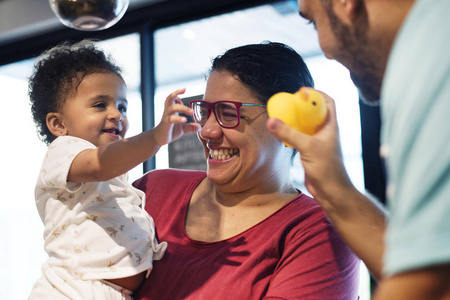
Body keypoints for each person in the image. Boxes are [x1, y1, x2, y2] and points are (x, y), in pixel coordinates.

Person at [133, 42, 360, 299]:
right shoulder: (153, 190)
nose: (207, 131)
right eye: (205, 112)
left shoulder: (318, 234)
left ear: (288, 123)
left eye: (228, 113)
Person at [267, 0, 450, 299]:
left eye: (313, 22)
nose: (325, 49)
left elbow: (433, 287)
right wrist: (333, 188)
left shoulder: (433, 51)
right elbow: (425, 257)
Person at [28, 40, 200, 299]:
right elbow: (100, 164)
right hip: (72, 289)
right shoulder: (63, 151)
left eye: (122, 107)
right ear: (58, 124)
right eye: (100, 105)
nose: (117, 115)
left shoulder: (115, 174)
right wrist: (155, 137)